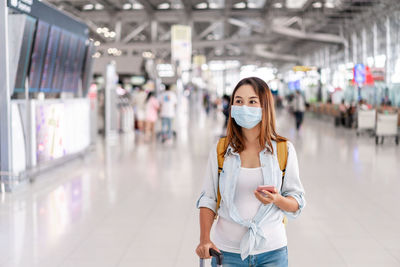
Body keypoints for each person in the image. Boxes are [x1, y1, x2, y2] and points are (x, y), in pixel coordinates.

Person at [196, 77, 306, 267]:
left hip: (272, 252)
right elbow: (209, 199)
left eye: (252, 101)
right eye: (238, 101)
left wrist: (277, 199)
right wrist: (205, 239)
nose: (244, 106)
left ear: (265, 106)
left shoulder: (283, 150)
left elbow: (297, 202)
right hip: (227, 252)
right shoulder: (221, 150)